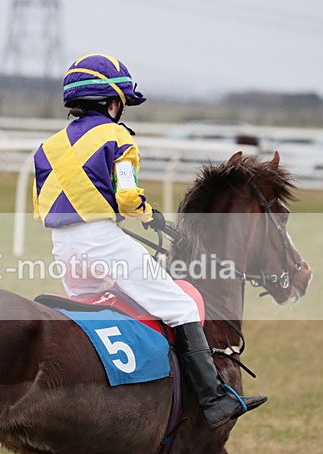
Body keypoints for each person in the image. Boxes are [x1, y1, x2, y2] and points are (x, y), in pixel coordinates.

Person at [32, 53, 266, 427]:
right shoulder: (118, 136)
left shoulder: (48, 146)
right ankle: (213, 399)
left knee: (96, 317)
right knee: (182, 307)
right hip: (102, 240)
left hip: (63, 245)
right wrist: (146, 213)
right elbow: (127, 196)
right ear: (112, 103)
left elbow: (41, 205)